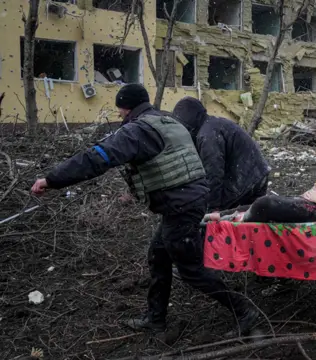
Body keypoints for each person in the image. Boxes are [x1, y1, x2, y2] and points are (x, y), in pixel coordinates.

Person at [30, 84, 258, 335]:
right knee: (158, 255)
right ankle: (155, 318)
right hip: (187, 200)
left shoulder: (137, 131)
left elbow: (97, 158)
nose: (118, 115)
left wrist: (52, 180)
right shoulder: (166, 120)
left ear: (127, 108)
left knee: (191, 270)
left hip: (181, 205)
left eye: (119, 110)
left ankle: (244, 310)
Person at [172, 97, 271, 211]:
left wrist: (212, 208)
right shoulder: (212, 125)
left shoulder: (207, 135)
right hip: (255, 173)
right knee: (246, 219)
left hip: (246, 178)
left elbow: (213, 174)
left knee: (220, 215)